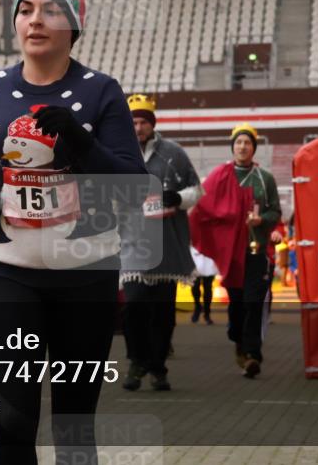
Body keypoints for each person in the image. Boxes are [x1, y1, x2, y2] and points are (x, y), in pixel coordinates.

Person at [0, 0, 146, 465]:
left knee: (74, 419)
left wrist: (81, 142)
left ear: (74, 24)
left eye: (51, 10)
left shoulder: (101, 91)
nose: (35, 20)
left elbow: (133, 186)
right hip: (7, 270)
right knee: (13, 418)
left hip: (87, 273)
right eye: (26, 9)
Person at [118, 94, 201, 392]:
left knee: (163, 311)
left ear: (152, 124)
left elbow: (196, 190)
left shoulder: (173, 154)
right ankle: (136, 361)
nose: (138, 127)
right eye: (134, 122)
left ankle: (158, 366)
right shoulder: (118, 153)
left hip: (166, 243)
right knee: (134, 305)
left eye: (143, 122)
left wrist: (178, 198)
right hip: (131, 242)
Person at [189, 123, 280, 379]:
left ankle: (253, 355)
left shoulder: (266, 179)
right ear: (233, 147)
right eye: (239, 143)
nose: (243, 147)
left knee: (253, 302)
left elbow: (276, 212)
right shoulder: (219, 175)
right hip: (232, 254)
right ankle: (238, 339)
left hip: (257, 251)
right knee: (238, 305)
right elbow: (202, 207)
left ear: (254, 148)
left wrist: (262, 221)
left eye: (247, 143)